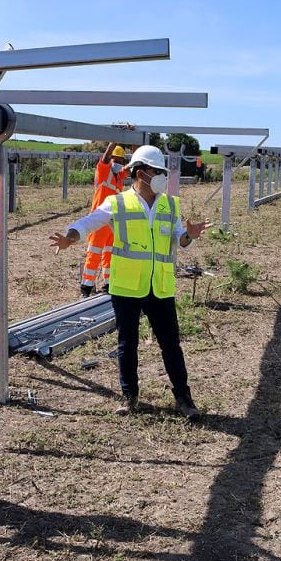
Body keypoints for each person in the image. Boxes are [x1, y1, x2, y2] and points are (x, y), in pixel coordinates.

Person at [49, 145, 211, 421]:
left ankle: (184, 398)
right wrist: (70, 236)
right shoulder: (118, 202)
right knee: (128, 343)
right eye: (153, 170)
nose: (158, 175)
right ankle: (129, 396)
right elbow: (89, 222)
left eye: (160, 171)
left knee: (171, 344)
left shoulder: (170, 203)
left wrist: (189, 235)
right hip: (126, 286)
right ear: (139, 173)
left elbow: (178, 239)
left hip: (159, 286)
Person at [80, 143, 128, 296]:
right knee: (94, 253)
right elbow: (106, 156)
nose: (118, 163)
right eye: (116, 159)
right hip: (99, 219)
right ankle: (87, 287)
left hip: (113, 221)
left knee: (109, 253)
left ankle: (108, 284)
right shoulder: (103, 171)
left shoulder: (119, 177)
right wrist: (114, 140)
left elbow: (134, 164)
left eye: (121, 160)